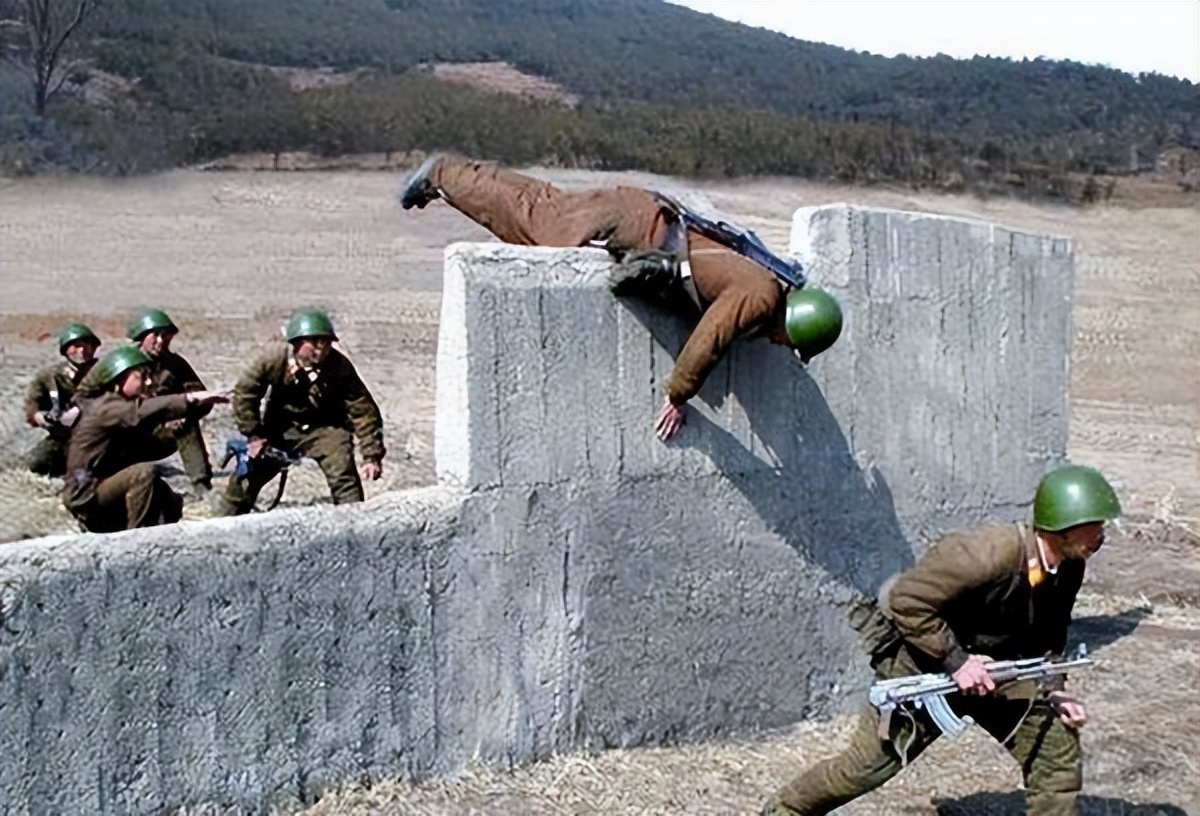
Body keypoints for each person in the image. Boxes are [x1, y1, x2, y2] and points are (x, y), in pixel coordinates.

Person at [399, 154, 843, 441]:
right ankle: (444, 175)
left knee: (541, 210)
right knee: (538, 218)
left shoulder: (764, 287)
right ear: (797, 323)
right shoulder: (762, 295)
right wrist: (678, 395)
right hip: (637, 225)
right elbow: (712, 335)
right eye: (793, 342)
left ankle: (449, 181)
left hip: (644, 217)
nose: (784, 347)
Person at [761, 464, 1123, 816]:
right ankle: (786, 809)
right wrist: (957, 661)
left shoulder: (1070, 565)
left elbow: (1050, 632)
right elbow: (905, 600)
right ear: (1065, 525)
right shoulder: (984, 554)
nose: (1102, 535)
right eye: (1096, 526)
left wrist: (1053, 688)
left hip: (996, 673)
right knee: (863, 771)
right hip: (926, 667)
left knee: (1054, 750)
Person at [214, 309, 386, 515]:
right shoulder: (273, 360)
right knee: (247, 476)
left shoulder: (340, 367)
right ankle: (220, 523)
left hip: (325, 429)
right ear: (296, 342)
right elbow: (245, 394)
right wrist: (254, 434)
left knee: (343, 474)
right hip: (278, 429)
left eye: (326, 343)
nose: (321, 350)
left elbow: (363, 409)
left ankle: (355, 525)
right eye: (314, 342)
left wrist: (371, 456)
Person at [63, 345, 229, 533]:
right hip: (86, 493)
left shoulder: (119, 404)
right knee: (144, 473)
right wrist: (190, 398)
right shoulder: (108, 408)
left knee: (168, 500)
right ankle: (137, 538)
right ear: (119, 379)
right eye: (141, 376)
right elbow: (148, 409)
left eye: (150, 376)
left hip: (104, 483)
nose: (149, 382)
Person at [125, 307, 215, 491]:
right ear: (142, 336)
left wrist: (181, 413)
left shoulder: (175, 364)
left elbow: (202, 397)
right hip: (126, 437)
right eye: (155, 335)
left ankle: (201, 485)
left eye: (166, 336)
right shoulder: (123, 363)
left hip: (159, 437)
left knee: (187, 426)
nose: (160, 341)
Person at [23, 322, 100, 477]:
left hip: (97, 434)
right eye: (76, 346)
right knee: (38, 462)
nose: (82, 350)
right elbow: (32, 403)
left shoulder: (102, 372)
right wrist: (40, 417)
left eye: (87, 345)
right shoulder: (51, 376)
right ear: (65, 350)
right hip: (64, 434)